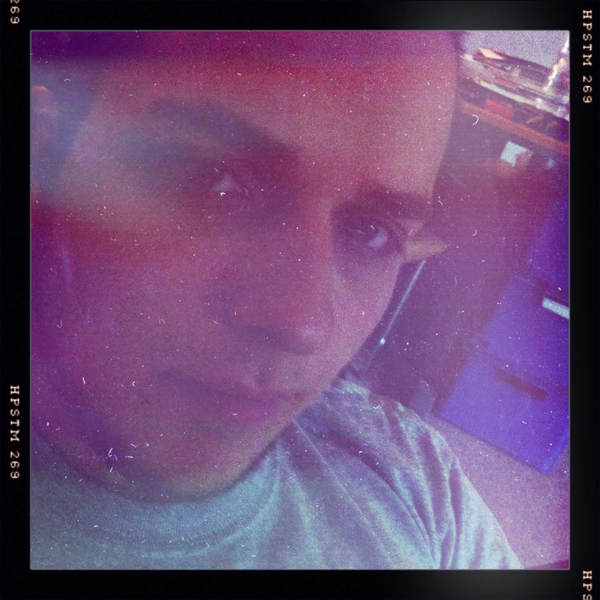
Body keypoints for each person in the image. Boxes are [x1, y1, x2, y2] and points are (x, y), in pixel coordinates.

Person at [30, 31, 521, 569]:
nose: (300, 324)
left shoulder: (417, 482)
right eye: (216, 183)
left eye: (371, 233)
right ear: (42, 151)